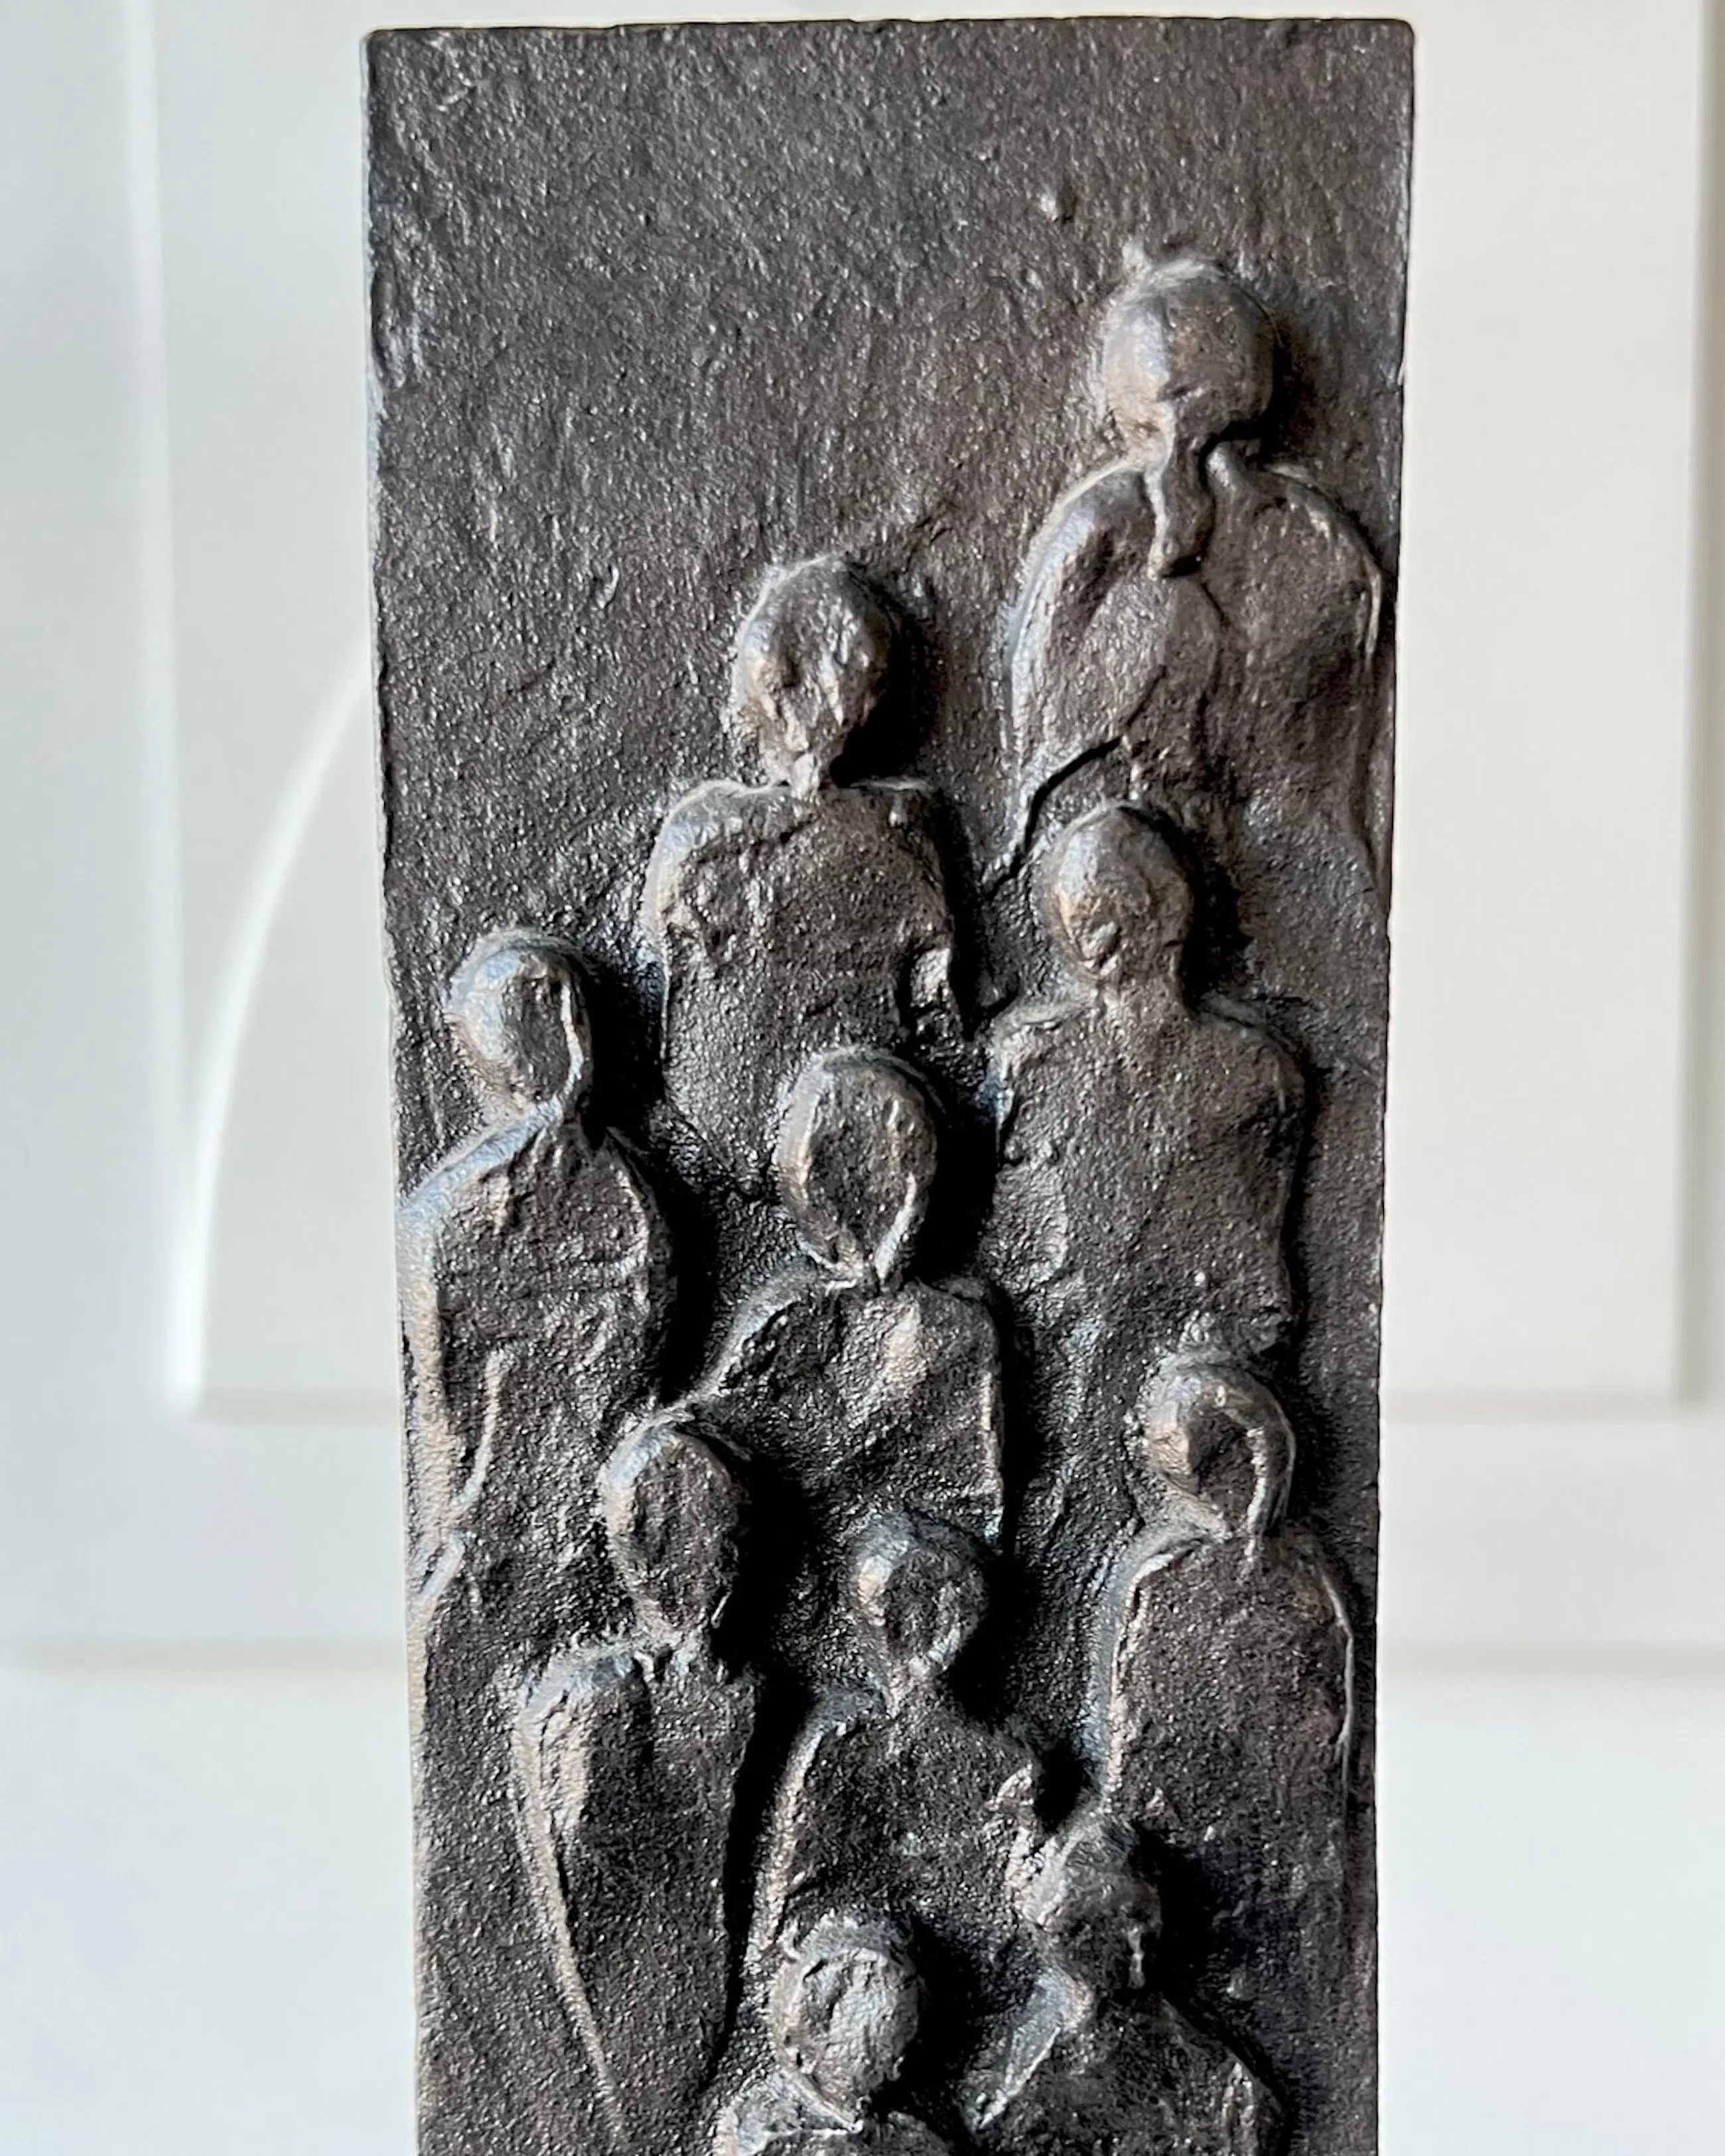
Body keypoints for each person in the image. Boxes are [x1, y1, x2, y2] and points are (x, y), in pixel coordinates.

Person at [981, 805, 1302, 1717]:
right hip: (1061, 1362)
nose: (1094, 937)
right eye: (1076, 917)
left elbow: (1262, 1262)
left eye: (1113, 908)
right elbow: (1016, 1238)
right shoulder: (1031, 1058)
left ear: (1168, 912)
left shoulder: (1252, 1070)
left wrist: (1210, 1356)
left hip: (1183, 1381)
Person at [1001, 252, 1388, 946]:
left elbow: (1041, 770)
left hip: (1177, 899)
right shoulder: (1326, 540)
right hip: (1255, 895)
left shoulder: (1103, 529)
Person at [1093, 1355, 1357, 2153]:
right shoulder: (1184, 1576)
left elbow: (1332, 1724)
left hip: (1273, 1837)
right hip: (1212, 1839)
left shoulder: (1277, 1577)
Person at [643, 556, 957, 1189]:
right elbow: (937, 1005)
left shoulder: (700, 838)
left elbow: (668, 956)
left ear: (773, 686)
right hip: (866, 1150)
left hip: (715, 1129)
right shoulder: (908, 833)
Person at [397, 926, 672, 1639]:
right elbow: (446, 1385)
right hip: (516, 1486)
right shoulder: (466, 1205)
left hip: (554, 1480)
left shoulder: (614, 1192)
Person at [699, 1048, 1004, 1690]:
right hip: (801, 1581)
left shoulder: (958, 1326)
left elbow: (977, 1492)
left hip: (905, 1592)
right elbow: (723, 1446)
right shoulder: (789, 1316)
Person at [515, 1410, 760, 2156]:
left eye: (721, 1544)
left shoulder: (740, 1690)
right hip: (632, 1970)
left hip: (705, 1961)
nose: (713, 1568)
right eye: (690, 1547)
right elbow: (591, 1847)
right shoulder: (598, 1693)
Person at [756, 1513, 1040, 2037]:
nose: (910, 1633)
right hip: (863, 2002)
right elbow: (795, 1914)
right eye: (892, 1614)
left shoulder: (1013, 1766)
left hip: (984, 2006)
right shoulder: (843, 1745)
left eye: (931, 1612)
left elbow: (1025, 1924)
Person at [958, 1810, 1276, 2156]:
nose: (1138, 1949)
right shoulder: (1003, 2095)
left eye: (1144, 1925)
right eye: (1086, 1929)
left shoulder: (1231, 2096)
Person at [719, 1914, 949, 2156]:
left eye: (905, 2042)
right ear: (803, 2052)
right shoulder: (767, 2140)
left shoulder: (913, 2139)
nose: (897, 2066)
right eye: (880, 2049)